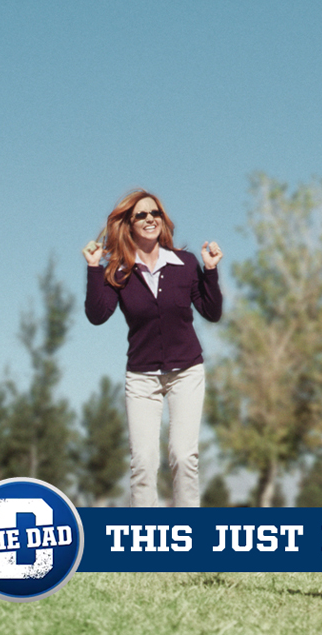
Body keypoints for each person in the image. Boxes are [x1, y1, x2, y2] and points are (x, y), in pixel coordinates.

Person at [83, 189, 223, 507]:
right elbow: (97, 315)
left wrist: (211, 271)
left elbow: (212, 312)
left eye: (155, 213)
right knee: (143, 463)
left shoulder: (185, 264)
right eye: (141, 215)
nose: (150, 219)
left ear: (162, 220)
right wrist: (94, 268)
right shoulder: (118, 270)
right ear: (129, 225)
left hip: (186, 371)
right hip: (142, 376)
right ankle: (145, 539)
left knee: (184, 456)